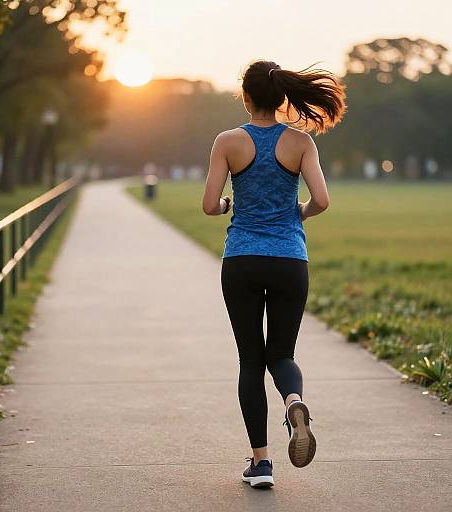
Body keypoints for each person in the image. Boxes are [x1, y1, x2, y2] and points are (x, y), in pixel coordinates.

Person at [202, 60, 346, 488]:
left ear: (245, 97)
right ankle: (295, 402)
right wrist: (295, 214)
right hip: (289, 260)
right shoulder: (301, 143)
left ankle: (261, 464)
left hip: (242, 259)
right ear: (282, 98)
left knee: (251, 360)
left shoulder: (228, 141)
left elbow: (210, 205)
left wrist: (230, 205)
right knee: (281, 355)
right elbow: (321, 200)